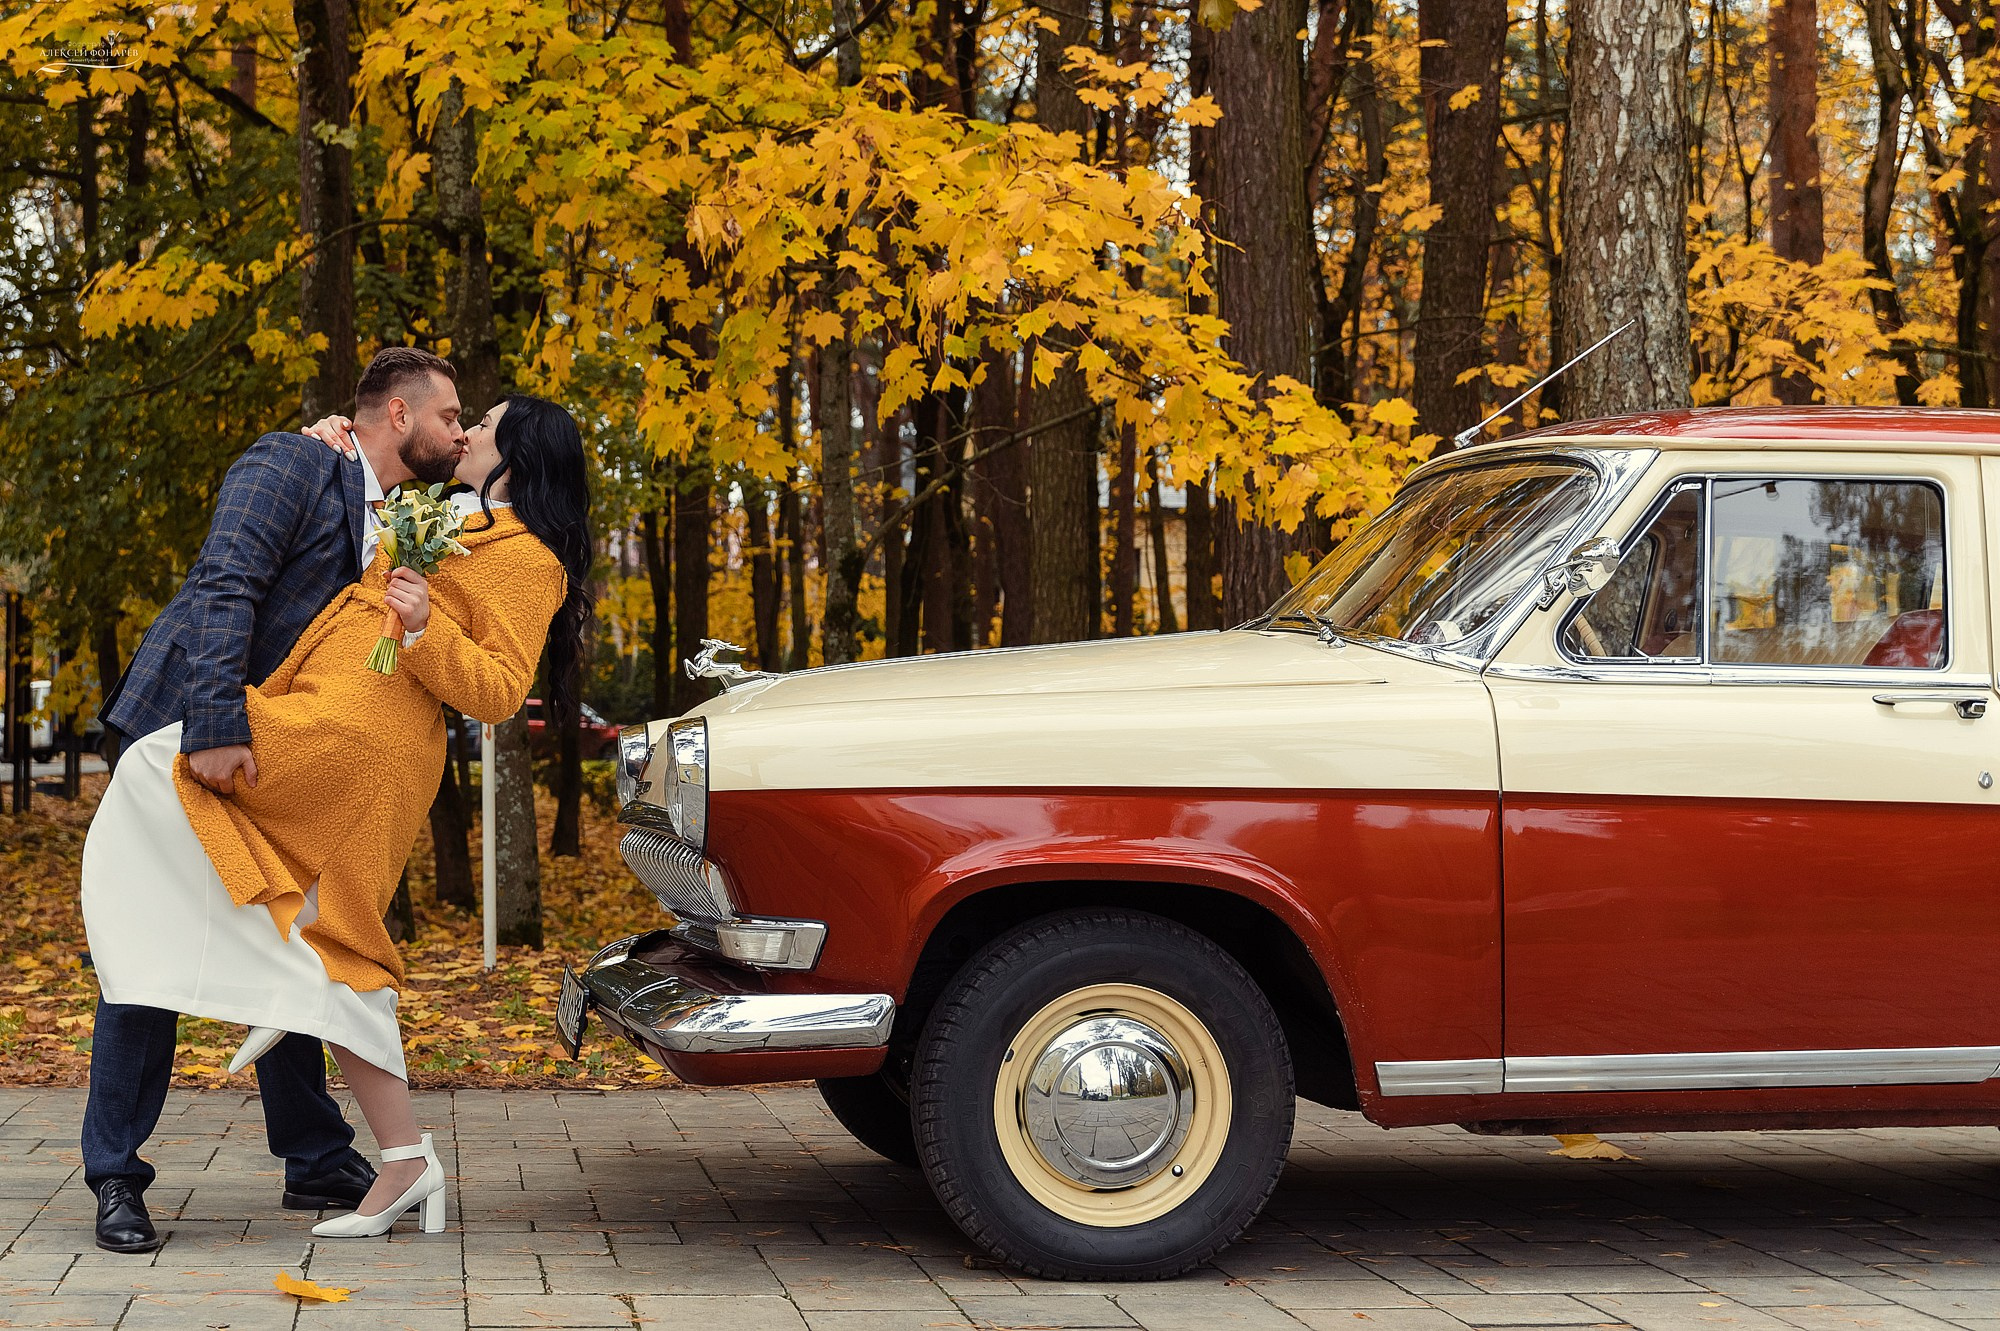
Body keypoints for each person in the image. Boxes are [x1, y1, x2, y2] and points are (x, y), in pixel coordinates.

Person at [79, 347, 466, 1253]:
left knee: (284, 927)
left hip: (279, 756)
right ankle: (115, 1174)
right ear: (400, 415)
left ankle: (314, 1153)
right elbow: (226, 583)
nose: (459, 430)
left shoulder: (405, 519)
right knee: (151, 944)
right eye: (450, 415)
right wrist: (215, 723)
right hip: (195, 732)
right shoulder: (293, 459)